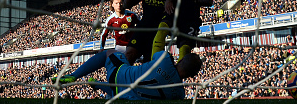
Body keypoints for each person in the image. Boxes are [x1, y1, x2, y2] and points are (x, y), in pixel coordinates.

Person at [53, 39, 202, 100]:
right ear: (193, 75)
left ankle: (74, 75)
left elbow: (154, 54)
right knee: (131, 91)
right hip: (127, 96)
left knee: (110, 53)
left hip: (119, 77)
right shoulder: (180, 94)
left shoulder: (165, 58)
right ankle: (97, 84)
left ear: (180, 59)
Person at [124, 0, 171, 64]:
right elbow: (126, 5)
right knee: (129, 55)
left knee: (149, 64)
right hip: (142, 29)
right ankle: (122, 78)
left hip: (156, 33)